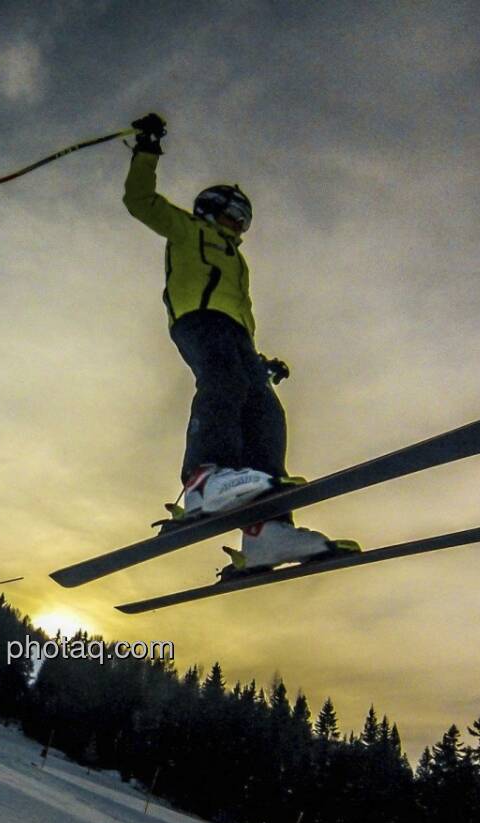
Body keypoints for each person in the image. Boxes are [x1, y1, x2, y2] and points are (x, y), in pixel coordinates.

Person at [122, 112, 345, 570]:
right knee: (223, 382)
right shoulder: (187, 229)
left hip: (236, 334)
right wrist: (147, 147)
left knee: (264, 410)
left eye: (245, 220)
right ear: (209, 209)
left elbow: (240, 313)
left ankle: (268, 530)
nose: (239, 226)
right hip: (199, 319)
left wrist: (258, 362)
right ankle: (205, 477)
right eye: (233, 214)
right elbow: (139, 199)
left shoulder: (238, 262)